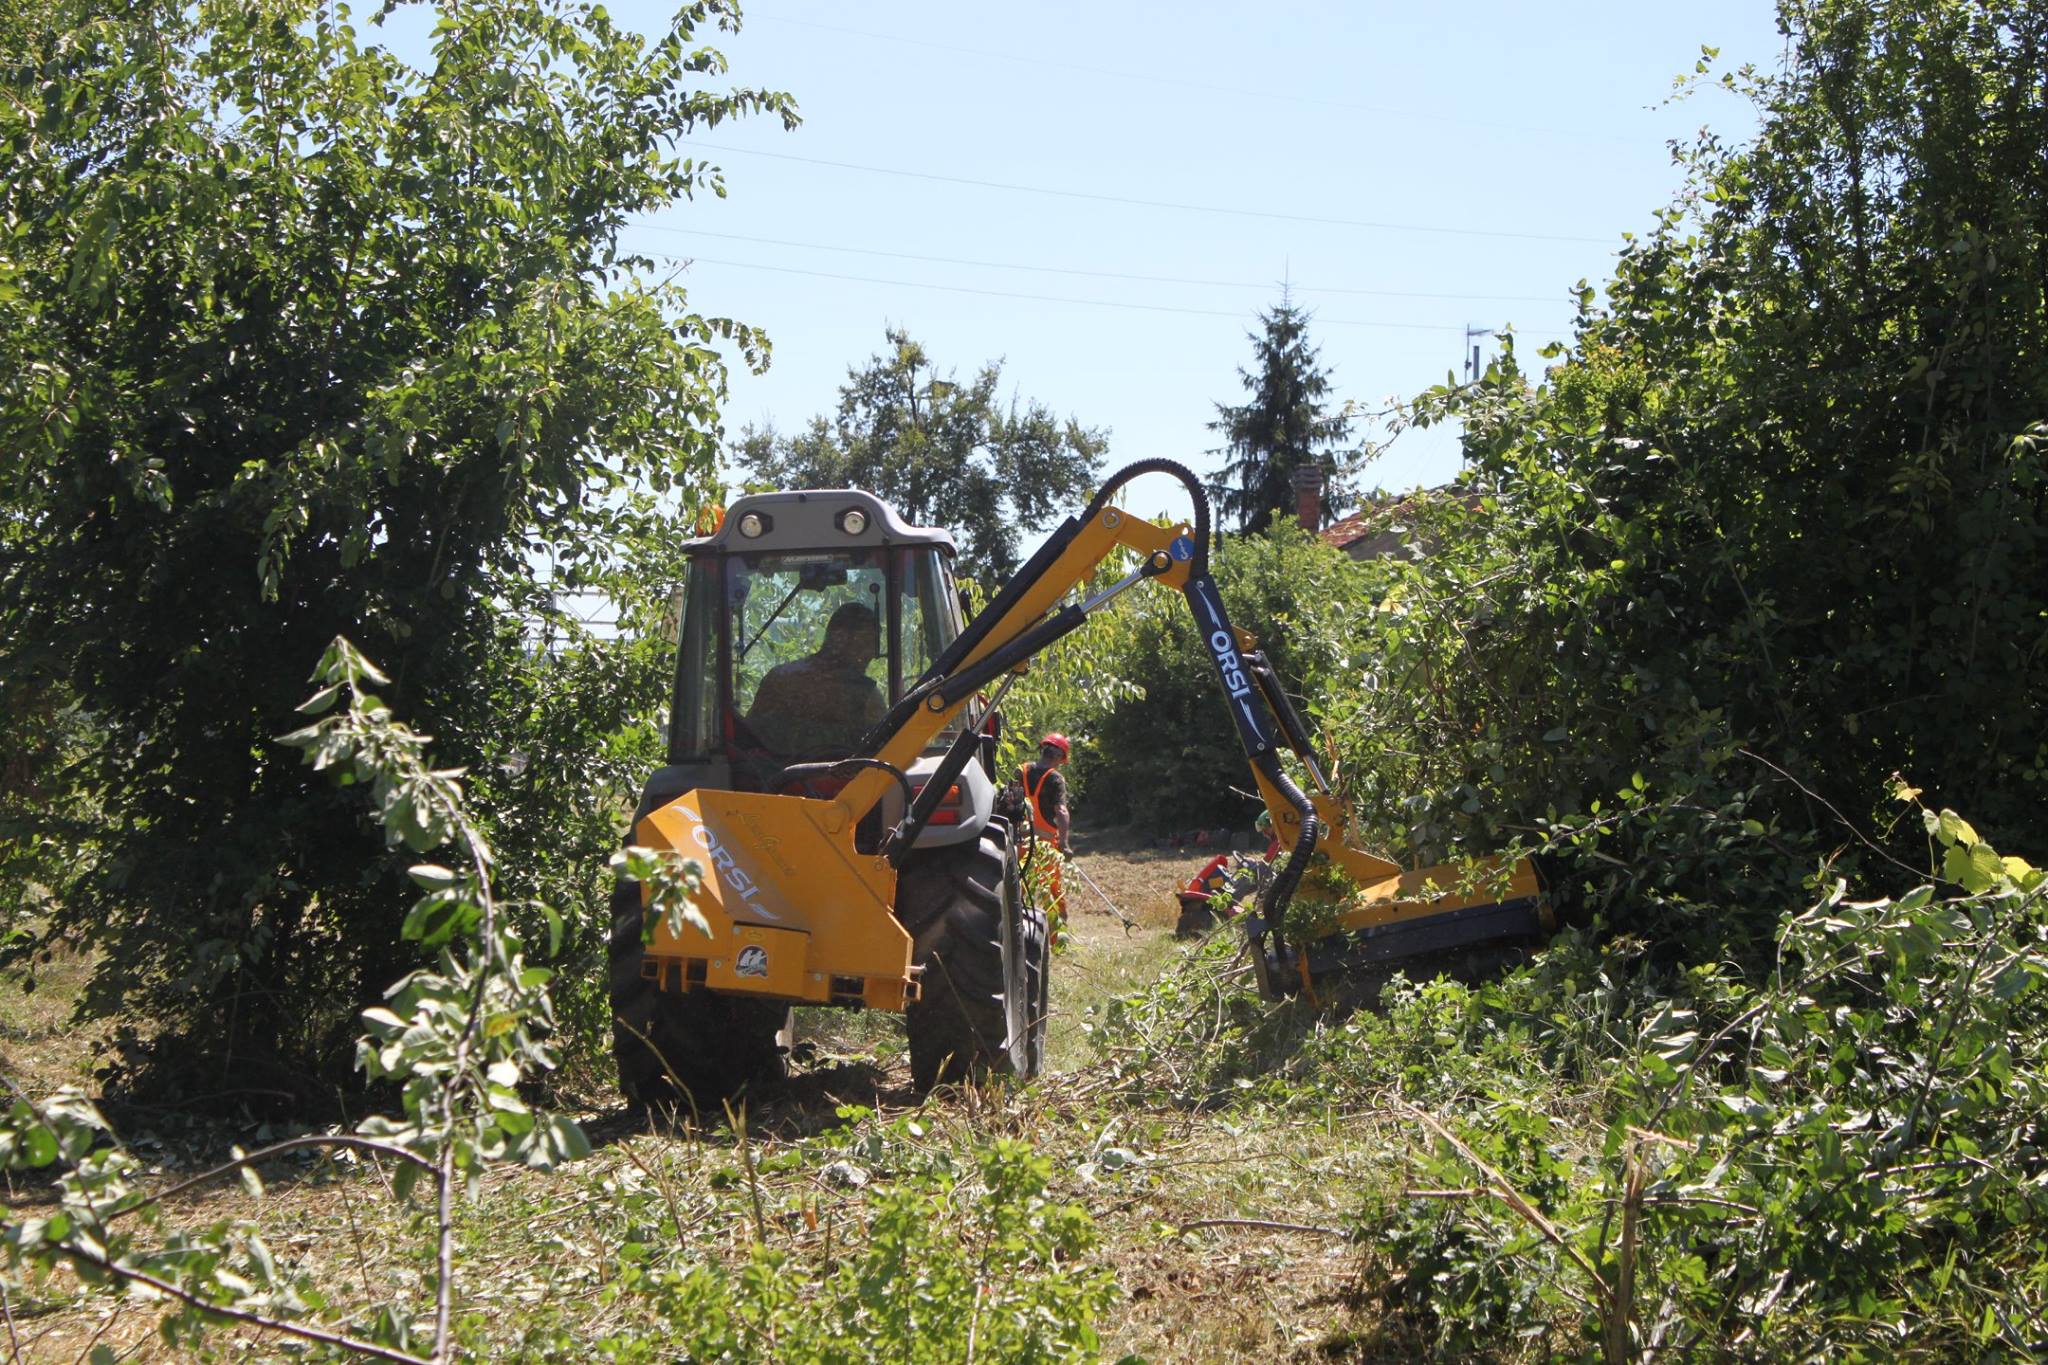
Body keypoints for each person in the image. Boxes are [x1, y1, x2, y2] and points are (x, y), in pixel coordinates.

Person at [746, 601, 886, 757]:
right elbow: (884, 754)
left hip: (771, 779)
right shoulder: (867, 697)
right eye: (865, 644)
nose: (871, 654)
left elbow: (749, 742)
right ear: (840, 638)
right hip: (850, 780)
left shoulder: (779, 678)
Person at [1020, 733, 1071, 939]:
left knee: (1019, 890)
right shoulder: (1054, 778)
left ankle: (1018, 936)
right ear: (1059, 757)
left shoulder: (1020, 771)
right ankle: (1056, 939)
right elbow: (1061, 811)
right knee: (1053, 890)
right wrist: (1064, 843)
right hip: (1046, 845)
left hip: (1019, 842)